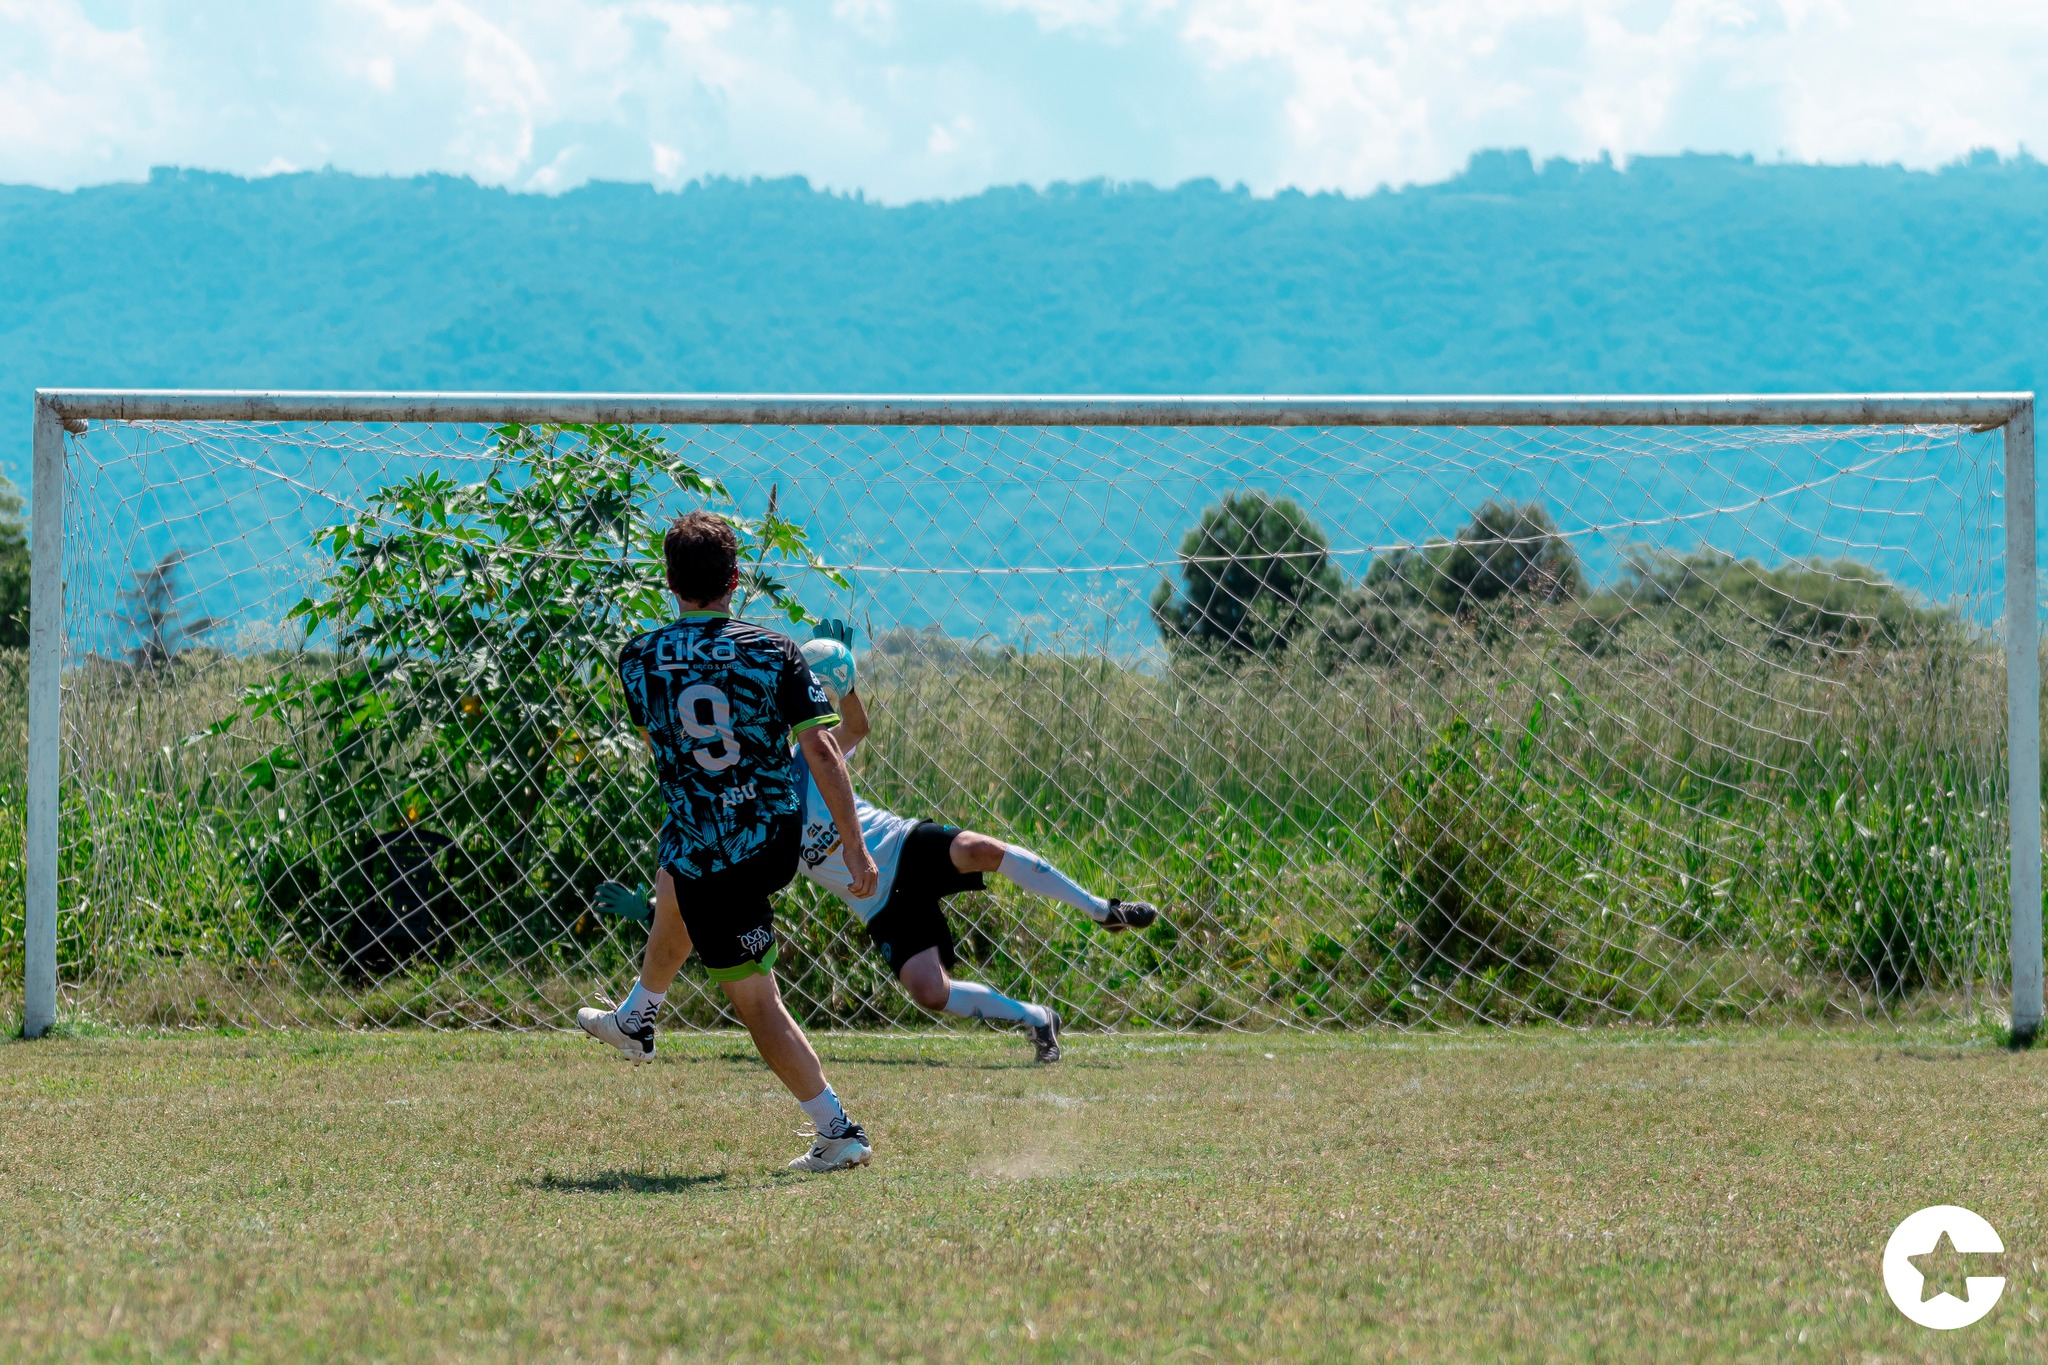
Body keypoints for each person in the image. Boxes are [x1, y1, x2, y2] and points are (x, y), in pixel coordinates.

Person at [575, 511, 882, 1174]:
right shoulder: (775, 650)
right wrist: (856, 847)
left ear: (668, 580)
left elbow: (664, 747)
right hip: (770, 834)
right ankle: (639, 1014)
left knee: (755, 1001)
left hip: (719, 852)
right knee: (674, 866)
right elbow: (824, 751)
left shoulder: (639, 657)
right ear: (735, 579)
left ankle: (838, 1129)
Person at [788, 629, 1159, 1064]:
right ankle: (1038, 1018)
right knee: (930, 992)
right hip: (878, 903)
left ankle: (1104, 910)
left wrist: (845, 684)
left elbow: (857, 727)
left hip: (900, 845)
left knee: (977, 847)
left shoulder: (809, 757)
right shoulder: (754, 823)